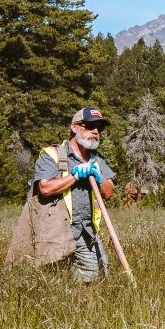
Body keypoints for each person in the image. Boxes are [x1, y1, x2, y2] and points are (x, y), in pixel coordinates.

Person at [30, 108, 118, 283]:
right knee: (58, 277)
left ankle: (77, 300)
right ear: (74, 127)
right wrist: (74, 176)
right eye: (90, 126)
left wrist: (99, 177)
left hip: (87, 230)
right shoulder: (53, 155)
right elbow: (45, 188)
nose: (96, 131)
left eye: (99, 128)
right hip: (58, 231)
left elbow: (108, 192)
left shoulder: (96, 159)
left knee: (101, 272)